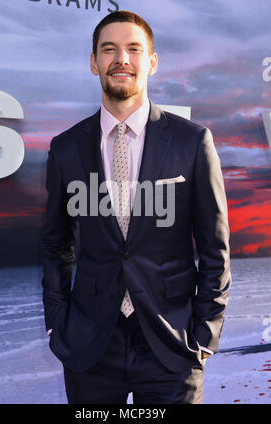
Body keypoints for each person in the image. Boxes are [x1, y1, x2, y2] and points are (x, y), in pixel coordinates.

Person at [41, 10, 231, 404]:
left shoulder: (192, 142)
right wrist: (56, 324)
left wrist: (205, 332)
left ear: (152, 62)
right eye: (109, 49)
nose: (121, 59)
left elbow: (215, 247)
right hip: (90, 343)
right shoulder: (66, 148)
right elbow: (57, 244)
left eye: (133, 49)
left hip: (172, 342)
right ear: (94, 62)